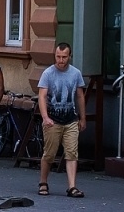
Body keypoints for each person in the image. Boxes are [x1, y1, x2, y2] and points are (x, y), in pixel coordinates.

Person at [36, 42, 86, 198]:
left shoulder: (76, 73)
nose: (61, 60)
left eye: (64, 57)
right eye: (58, 56)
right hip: (53, 119)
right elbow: (42, 96)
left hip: (70, 119)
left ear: (69, 56)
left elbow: (79, 96)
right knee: (49, 154)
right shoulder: (48, 73)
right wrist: (45, 117)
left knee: (72, 153)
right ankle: (43, 182)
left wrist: (82, 117)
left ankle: (72, 187)